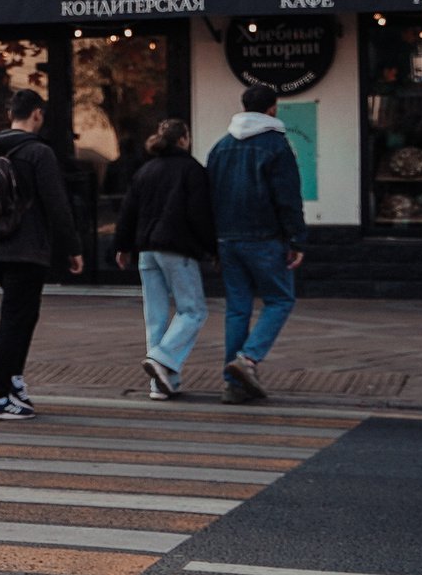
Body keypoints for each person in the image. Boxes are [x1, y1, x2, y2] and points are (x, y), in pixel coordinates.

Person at [0, 89, 79, 419]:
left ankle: (14, 385)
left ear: (10, 115)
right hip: (26, 249)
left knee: (21, 317)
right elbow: (57, 204)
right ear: (37, 114)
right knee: (16, 321)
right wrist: (73, 248)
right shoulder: (38, 153)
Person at [206, 83, 308, 403]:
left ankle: (234, 384)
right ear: (272, 108)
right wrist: (296, 239)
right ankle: (247, 359)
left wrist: (214, 244)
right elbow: (288, 197)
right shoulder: (277, 146)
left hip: (227, 239)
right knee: (280, 300)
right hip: (265, 238)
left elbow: (207, 199)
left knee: (237, 309)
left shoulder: (220, 147)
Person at [112, 118, 217, 401]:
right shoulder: (192, 170)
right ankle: (162, 357)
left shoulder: (145, 170)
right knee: (193, 311)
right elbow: (200, 215)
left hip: (146, 251)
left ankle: (161, 385)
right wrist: (213, 249)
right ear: (183, 139)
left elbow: (128, 212)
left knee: (155, 317)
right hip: (177, 249)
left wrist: (122, 246)